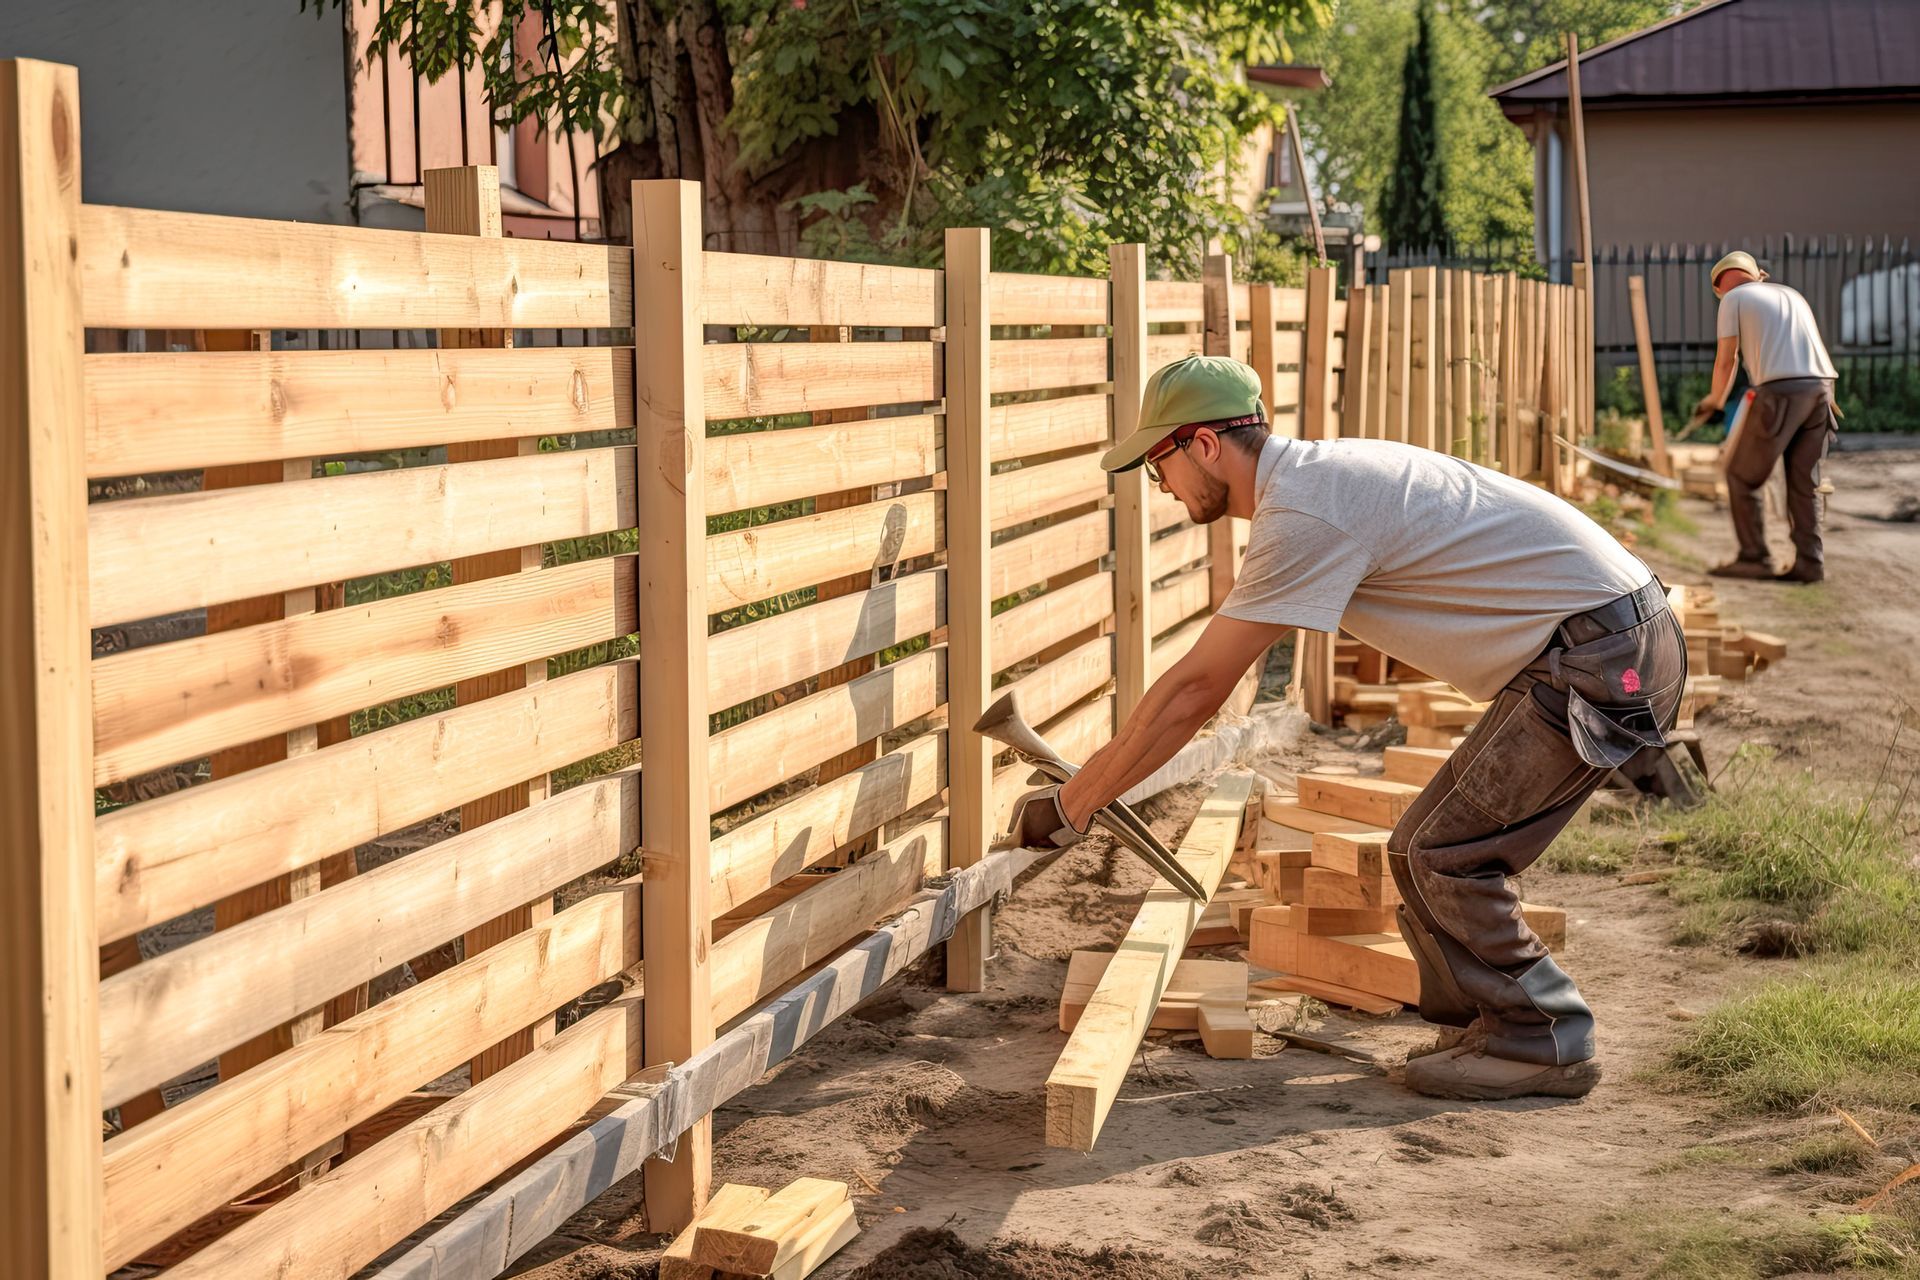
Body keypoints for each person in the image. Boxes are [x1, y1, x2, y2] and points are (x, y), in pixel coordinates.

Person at [1009, 355, 1687, 1101]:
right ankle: (1493, 1029)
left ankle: (1545, 1039)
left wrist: (1073, 809)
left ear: (1204, 445)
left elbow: (1194, 690)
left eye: (1157, 465)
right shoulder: (1318, 479)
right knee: (1419, 851)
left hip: (1599, 660)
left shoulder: (1304, 511)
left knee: (1446, 855)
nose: (1160, 488)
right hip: (1607, 640)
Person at [1695, 250, 1839, 583]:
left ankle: (1754, 558)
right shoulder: (1791, 295)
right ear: (1758, 274)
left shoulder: (1733, 299)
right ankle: (1810, 564)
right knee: (1804, 483)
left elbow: (1726, 361)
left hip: (1780, 392)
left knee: (1741, 476)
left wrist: (1714, 402)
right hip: (1822, 390)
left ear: (1718, 287)